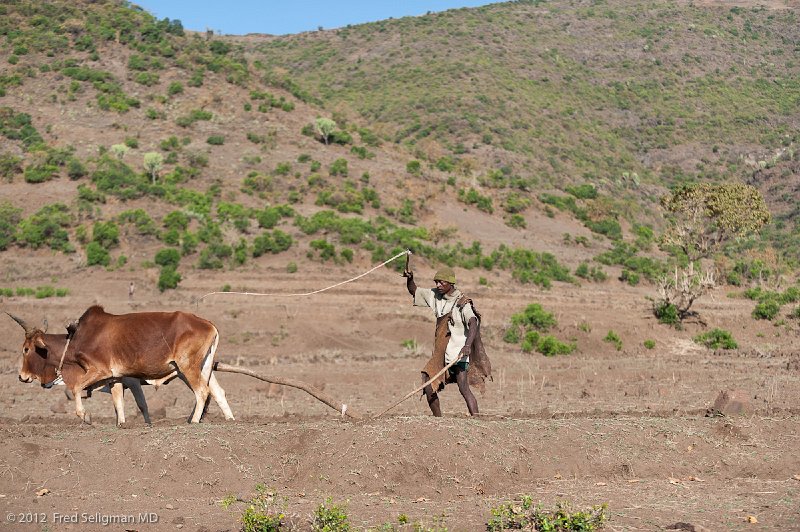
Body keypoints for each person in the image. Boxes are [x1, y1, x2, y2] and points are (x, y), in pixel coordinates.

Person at [404, 266, 491, 416]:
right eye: (436, 282)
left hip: (458, 353)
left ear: (451, 283)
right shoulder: (436, 295)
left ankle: (477, 420)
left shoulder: (463, 302)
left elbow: (473, 323)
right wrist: (410, 279)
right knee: (428, 384)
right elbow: (415, 291)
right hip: (440, 353)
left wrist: (467, 346)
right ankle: (439, 421)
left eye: (441, 282)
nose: (438, 285)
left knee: (463, 388)